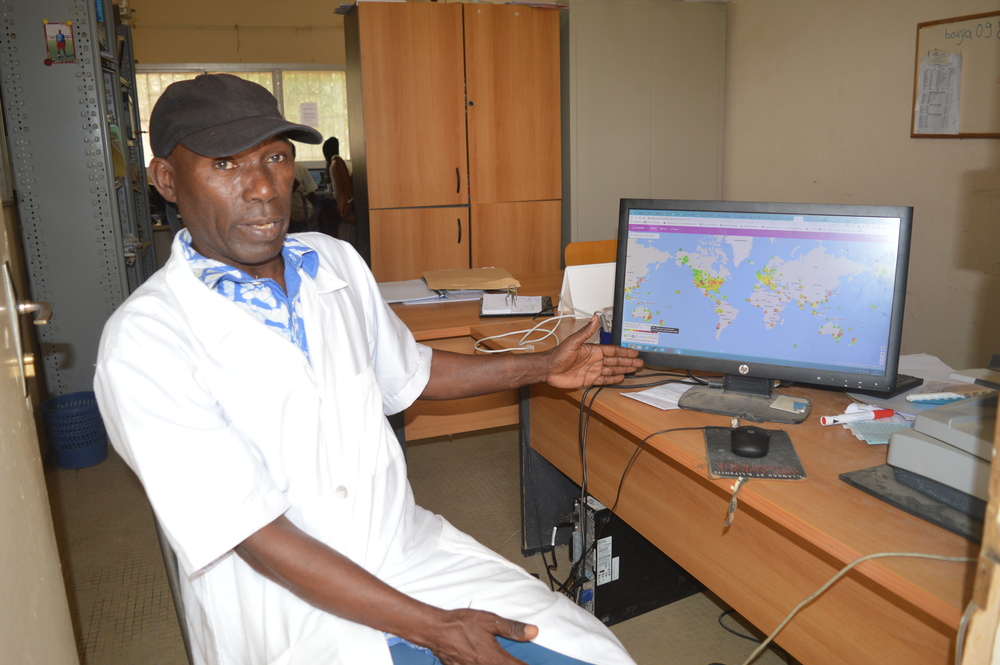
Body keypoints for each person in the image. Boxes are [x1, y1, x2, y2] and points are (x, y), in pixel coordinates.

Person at [94, 74, 643, 665]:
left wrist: (541, 365)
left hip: (404, 555)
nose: (263, 189)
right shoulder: (144, 342)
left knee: (601, 654)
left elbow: (413, 373)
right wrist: (437, 629)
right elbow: (255, 536)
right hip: (281, 609)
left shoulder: (333, 262)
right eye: (225, 165)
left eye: (276, 157)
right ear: (167, 181)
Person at [289, 143, 319, 233]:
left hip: (285, 213)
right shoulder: (300, 168)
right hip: (302, 211)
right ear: (294, 154)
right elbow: (312, 194)